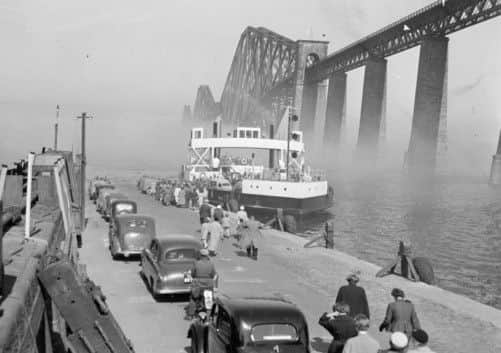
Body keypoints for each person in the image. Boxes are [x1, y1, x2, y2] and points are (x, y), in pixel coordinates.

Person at [186, 249, 217, 318]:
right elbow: (213, 274)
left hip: (198, 285)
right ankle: (208, 317)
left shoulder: (196, 263)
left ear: (200, 255)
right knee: (209, 300)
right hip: (209, 285)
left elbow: (193, 274)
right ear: (207, 256)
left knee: (193, 299)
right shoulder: (211, 264)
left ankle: (190, 315)